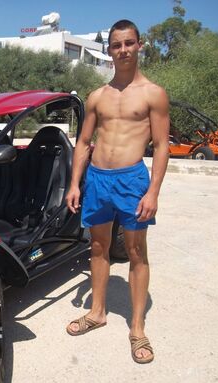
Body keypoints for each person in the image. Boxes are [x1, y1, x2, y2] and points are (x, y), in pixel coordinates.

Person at [65, 19, 169, 364]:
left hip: (131, 180)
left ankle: (137, 328)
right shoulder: (97, 96)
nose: (123, 50)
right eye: (116, 45)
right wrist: (75, 183)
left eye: (128, 43)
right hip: (97, 180)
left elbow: (162, 146)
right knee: (97, 246)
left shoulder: (153, 93)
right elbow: (83, 142)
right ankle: (97, 312)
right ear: (109, 50)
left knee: (136, 251)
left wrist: (153, 192)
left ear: (139, 45)